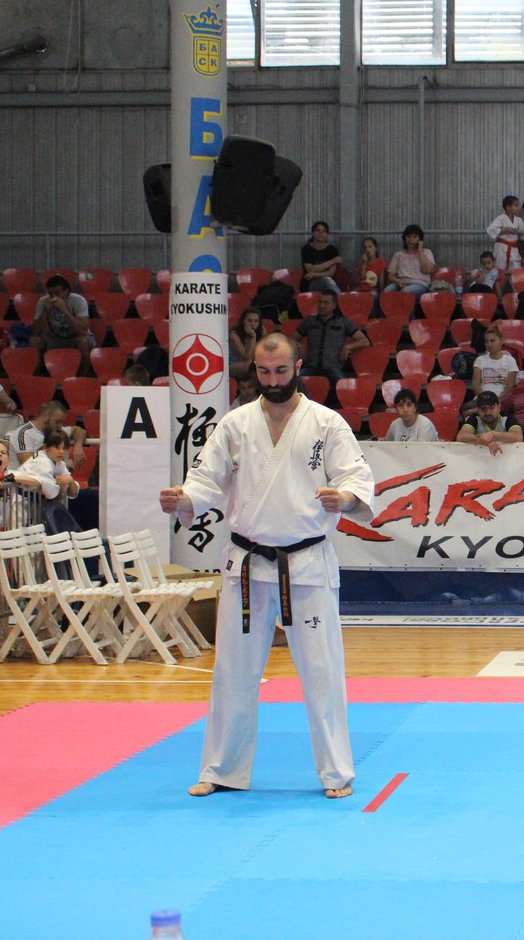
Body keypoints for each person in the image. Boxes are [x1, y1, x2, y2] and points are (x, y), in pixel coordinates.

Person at [159, 331, 376, 800]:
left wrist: (344, 498)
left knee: (322, 671)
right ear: (254, 370)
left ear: (297, 367)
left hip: (307, 563)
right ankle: (222, 769)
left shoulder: (326, 423)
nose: (272, 381)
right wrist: (185, 498)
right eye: (263, 372)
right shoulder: (235, 424)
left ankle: (336, 772)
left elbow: (356, 477)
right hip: (246, 565)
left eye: (280, 371)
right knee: (232, 671)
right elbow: (205, 479)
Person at [297, 291, 369, 387]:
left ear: (334, 305)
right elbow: (291, 340)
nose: (322, 305)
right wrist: (299, 346)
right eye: (320, 302)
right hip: (310, 366)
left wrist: (348, 346)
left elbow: (364, 341)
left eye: (326, 302)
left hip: (333, 367)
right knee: (293, 382)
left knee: (344, 388)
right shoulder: (309, 321)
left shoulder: (343, 322)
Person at [31, 274, 93, 364]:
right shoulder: (43, 301)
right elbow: (36, 332)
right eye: (50, 294)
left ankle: (83, 373)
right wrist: (45, 312)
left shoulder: (78, 300)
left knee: (83, 342)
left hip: (76, 337)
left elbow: (83, 331)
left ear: (66, 291)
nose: (54, 297)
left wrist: (65, 311)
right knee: (34, 341)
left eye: (57, 293)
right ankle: (38, 372)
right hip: (56, 337)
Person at [9, 400, 86, 468]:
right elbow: (29, 466)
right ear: (45, 416)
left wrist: (78, 446)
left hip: (46, 478)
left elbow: (80, 431)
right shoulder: (24, 434)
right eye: (57, 422)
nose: (60, 426)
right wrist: (65, 464)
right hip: (23, 478)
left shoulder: (56, 430)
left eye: (61, 422)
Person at [457, 390, 523, 453]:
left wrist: (493, 434)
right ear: (478, 410)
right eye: (483, 408)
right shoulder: (475, 418)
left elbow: (518, 437)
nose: (488, 412)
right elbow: (461, 436)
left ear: (499, 407)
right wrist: (484, 440)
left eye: (491, 407)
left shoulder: (507, 418)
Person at [384, 224, 436, 300]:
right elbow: (390, 276)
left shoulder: (426, 252)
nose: (411, 239)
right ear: (404, 238)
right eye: (408, 236)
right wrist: (397, 281)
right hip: (401, 283)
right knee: (386, 291)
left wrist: (420, 251)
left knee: (406, 292)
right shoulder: (398, 254)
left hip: (420, 284)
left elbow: (426, 270)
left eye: (415, 236)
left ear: (420, 239)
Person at [472, 326, 520, 400]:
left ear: (501, 341)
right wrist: (484, 398)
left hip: (503, 398)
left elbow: (510, 386)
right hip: (483, 397)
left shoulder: (510, 360)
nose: (489, 344)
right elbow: (476, 385)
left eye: (492, 341)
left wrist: (498, 399)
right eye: (486, 342)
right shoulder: (480, 360)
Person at [300, 221, 344, 294]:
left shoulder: (333, 250)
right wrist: (332, 261)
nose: (321, 233)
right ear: (313, 233)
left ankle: (338, 299)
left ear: (327, 234)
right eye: (318, 230)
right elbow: (310, 269)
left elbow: (331, 273)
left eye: (324, 231)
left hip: (328, 282)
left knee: (327, 280)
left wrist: (314, 274)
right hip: (310, 284)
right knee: (327, 281)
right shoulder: (306, 249)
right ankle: (340, 299)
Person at [486, 196, 524, 272]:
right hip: (501, 248)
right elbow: (490, 229)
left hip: (514, 249)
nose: (518, 208)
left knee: (515, 271)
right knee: (500, 271)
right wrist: (505, 229)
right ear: (508, 207)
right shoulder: (501, 218)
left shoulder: (518, 220)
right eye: (516, 205)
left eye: (518, 205)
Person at [229, 307, 264, 382]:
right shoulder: (234, 334)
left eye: (256, 321)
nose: (253, 324)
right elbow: (247, 356)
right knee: (252, 365)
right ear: (243, 321)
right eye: (249, 321)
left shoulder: (262, 332)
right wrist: (253, 336)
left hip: (253, 362)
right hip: (234, 364)